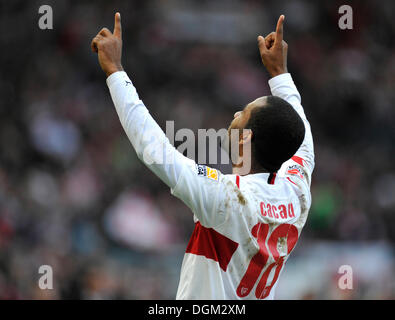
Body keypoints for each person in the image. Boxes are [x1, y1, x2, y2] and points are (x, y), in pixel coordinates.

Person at [91, 13, 314, 300]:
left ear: (246, 138)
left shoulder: (225, 198)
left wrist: (115, 70)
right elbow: (301, 135)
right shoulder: (297, 191)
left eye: (243, 113)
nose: (235, 115)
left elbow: (154, 149)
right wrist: (280, 75)